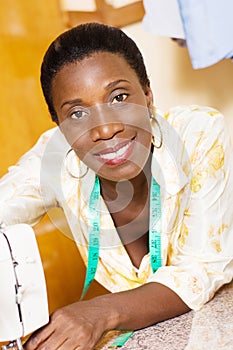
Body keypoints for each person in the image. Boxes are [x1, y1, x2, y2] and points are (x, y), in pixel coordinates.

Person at [0, 22, 233, 350]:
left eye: (119, 97)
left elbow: (202, 268)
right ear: (59, 128)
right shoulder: (55, 161)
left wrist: (98, 313)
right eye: (77, 114)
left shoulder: (198, 135)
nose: (105, 128)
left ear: (148, 96)